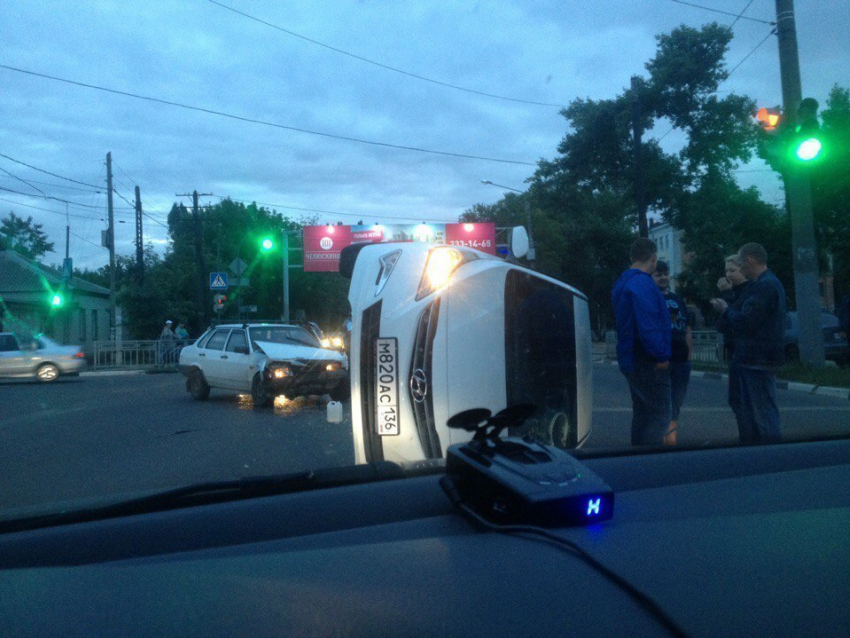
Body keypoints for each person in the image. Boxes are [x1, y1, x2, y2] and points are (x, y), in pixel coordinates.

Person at [712, 243, 786, 444]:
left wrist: (726, 309)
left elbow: (746, 321)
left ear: (750, 260)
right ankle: (760, 453)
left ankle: (771, 457)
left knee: (762, 412)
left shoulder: (764, 286)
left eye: (740, 264)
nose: (740, 269)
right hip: (757, 357)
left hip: (757, 358)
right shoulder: (770, 283)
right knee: (757, 410)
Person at [612, 238, 672, 446]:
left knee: (642, 413)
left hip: (631, 358)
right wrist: (662, 355)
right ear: (653, 258)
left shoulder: (622, 282)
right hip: (647, 361)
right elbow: (649, 326)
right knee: (660, 415)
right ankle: (651, 462)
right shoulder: (642, 283)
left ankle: (636, 457)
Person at [652, 261, 692, 446]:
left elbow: (687, 328)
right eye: (658, 274)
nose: (663, 277)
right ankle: (659, 442)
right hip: (662, 360)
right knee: (661, 403)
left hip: (681, 361)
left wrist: (689, 355)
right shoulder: (651, 298)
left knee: (676, 403)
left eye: (665, 273)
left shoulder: (677, 299)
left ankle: (671, 441)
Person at [716, 256, 753, 431]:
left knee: (746, 401)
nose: (727, 275)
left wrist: (726, 297)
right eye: (726, 270)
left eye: (732, 270)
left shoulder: (749, 291)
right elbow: (722, 325)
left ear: (744, 271)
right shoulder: (736, 292)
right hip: (734, 353)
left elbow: (737, 319)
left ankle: (752, 440)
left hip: (746, 354)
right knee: (737, 400)